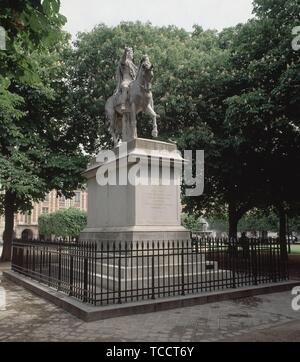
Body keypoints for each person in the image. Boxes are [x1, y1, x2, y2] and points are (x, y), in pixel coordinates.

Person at [114, 47, 138, 112]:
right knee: (125, 87)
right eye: (131, 53)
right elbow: (123, 59)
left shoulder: (133, 65)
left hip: (133, 81)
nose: (132, 55)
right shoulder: (125, 62)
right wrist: (125, 51)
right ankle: (123, 104)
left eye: (132, 53)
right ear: (128, 54)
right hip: (126, 81)